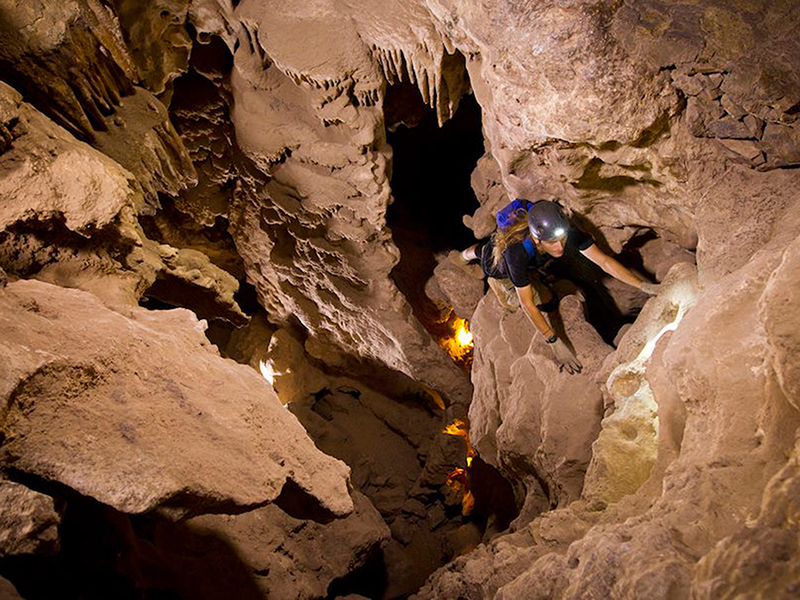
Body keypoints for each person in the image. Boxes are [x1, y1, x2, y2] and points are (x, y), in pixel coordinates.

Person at [460, 200, 660, 374]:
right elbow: (527, 303)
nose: (560, 247)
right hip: (501, 268)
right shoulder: (515, 254)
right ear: (537, 238)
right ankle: (463, 258)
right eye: (553, 243)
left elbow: (604, 262)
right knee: (488, 258)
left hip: (533, 262)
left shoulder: (561, 229)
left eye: (562, 240)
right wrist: (555, 343)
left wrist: (643, 285)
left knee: (543, 283)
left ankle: (533, 274)